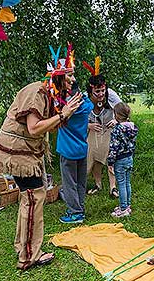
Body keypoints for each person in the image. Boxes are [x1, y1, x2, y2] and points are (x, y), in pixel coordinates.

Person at [0, 53, 82, 269]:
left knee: (28, 198)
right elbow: (33, 128)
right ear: (57, 77)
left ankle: (22, 247)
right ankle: (29, 256)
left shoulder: (48, 94)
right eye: (68, 78)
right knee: (33, 198)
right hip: (18, 154)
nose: (72, 82)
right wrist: (63, 114)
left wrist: (65, 113)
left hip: (23, 153)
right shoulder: (37, 92)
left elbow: (47, 123)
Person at [57, 68, 94, 224]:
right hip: (81, 149)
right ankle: (80, 209)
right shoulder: (86, 106)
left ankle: (75, 212)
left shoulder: (65, 110)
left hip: (67, 150)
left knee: (69, 182)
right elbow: (88, 102)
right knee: (80, 181)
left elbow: (56, 116)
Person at [86, 74, 120, 198]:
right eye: (97, 91)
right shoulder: (85, 98)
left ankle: (113, 187)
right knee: (95, 157)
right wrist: (88, 125)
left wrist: (116, 120)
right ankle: (97, 184)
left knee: (111, 157)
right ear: (91, 91)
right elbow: (76, 119)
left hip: (109, 128)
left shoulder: (111, 95)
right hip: (93, 130)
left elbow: (124, 110)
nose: (100, 94)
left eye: (102, 90)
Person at [107, 102, 138, 218]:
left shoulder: (117, 130)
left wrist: (110, 162)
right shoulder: (133, 127)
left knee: (121, 184)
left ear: (116, 115)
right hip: (129, 158)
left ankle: (123, 208)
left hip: (119, 160)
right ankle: (128, 205)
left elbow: (113, 147)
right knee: (127, 182)